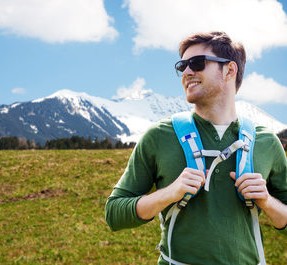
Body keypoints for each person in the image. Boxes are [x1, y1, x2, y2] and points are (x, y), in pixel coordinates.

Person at [105, 31, 287, 265]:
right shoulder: (159, 136)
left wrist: (267, 202)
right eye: (183, 66)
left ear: (230, 70)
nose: (187, 72)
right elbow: (114, 214)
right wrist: (169, 193)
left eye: (197, 63)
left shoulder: (267, 142)